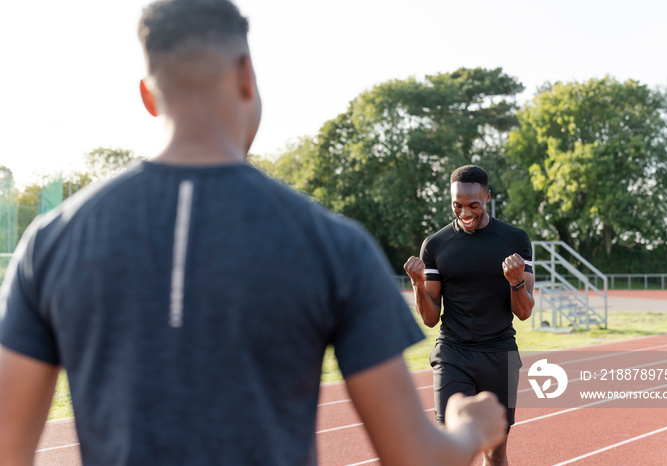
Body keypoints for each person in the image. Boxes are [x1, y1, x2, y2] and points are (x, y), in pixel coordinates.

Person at [0, 1, 507, 464]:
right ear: (246, 74)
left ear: (147, 96)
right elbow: (413, 456)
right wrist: (469, 429)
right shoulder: (334, 244)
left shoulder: (49, 242)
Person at [404, 165, 534, 466]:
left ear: (487, 197)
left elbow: (525, 312)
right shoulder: (435, 245)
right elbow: (429, 318)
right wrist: (418, 286)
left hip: (498, 353)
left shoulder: (514, 239)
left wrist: (515, 280)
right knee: (450, 446)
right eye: (457, 205)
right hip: (453, 353)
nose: (465, 212)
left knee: (495, 449)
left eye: (473, 205)